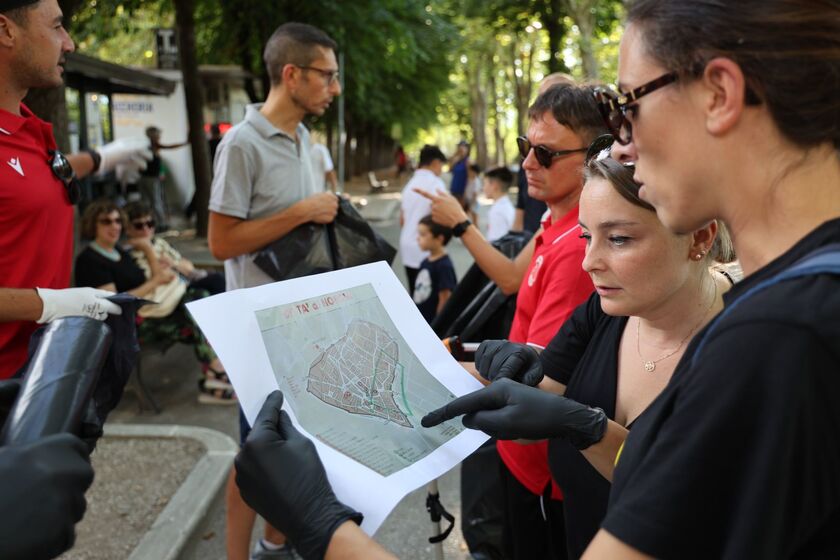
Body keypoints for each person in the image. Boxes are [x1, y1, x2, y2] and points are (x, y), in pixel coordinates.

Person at [431, 1, 840, 558]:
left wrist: (322, 522)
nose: (619, 143)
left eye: (624, 106)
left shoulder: (777, 338)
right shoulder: (791, 309)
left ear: (719, 94)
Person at [417, 83, 607, 560]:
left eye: (544, 153)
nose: (527, 164)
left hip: (539, 467)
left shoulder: (577, 249)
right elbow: (510, 281)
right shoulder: (554, 222)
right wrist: (458, 353)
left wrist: (423, 370)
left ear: (593, 158)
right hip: (516, 454)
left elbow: (531, 381)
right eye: (526, 147)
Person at [207, 21, 341, 560]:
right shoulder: (240, 145)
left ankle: (273, 545)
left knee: (296, 449)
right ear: (292, 75)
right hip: (256, 335)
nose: (334, 88)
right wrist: (301, 212)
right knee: (257, 455)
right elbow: (220, 242)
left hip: (304, 327)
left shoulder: (307, 140)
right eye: (326, 77)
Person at [0, 0, 152, 380]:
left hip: (41, 371)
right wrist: (48, 303)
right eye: (56, 27)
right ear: (6, 31)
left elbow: (41, 177)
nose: (68, 43)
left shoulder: (29, 128)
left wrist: (102, 158)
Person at [74, 199, 235, 404]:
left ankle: (213, 376)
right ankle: (216, 372)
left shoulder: (119, 252)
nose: (114, 226)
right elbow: (114, 303)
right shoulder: (90, 260)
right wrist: (155, 281)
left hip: (148, 314)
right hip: (126, 326)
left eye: (117, 221)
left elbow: (157, 276)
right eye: (106, 221)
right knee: (196, 306)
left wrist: (149, 252)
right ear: (92, 225)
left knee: (197, 310)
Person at [124, 200, 225, 296]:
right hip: (169, 293)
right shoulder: (129, 255)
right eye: (139, 225)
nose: (146, 229)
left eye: (150, 224)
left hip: (182, 283)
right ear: (127, 229)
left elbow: (187, 265)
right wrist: (148, 250)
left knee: (221, 279)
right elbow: (160, 278)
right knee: (217, 281)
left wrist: (173, 264)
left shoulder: (159, 242)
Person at [399, 144, 446, 296]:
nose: (441, 171)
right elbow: (445, 216)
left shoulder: (409, 185)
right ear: (435, 163)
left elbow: (402, 220)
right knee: (429, 300)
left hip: (407, 246)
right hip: (426, 249)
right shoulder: (436, 184)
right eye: (441, 166)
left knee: (415, 293)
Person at [139, 125, 188, 229]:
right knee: (152, 202)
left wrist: (161, 172)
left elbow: (165, 153)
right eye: (157, 135)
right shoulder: (147, 147)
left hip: (151, 178)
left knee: (154, 201)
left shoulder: (154, 147)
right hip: (148, 178)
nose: (159, 137)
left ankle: (160, 223)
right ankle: (158, 223)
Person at [413, 215, 457, 323]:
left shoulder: (444, 266)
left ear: (439, 238)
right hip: (421, 317)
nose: (418, 238)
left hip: (431, 322)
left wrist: (438, 322)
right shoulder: (425, 261)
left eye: (423, 234)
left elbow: (445, 298)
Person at [482, 166, 515, 242]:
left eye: (484, 184)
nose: (483, 188)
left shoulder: (497, 212)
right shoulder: (506, 206)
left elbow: (496, 245)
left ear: (494, 185)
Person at [448, 140, 470, 207]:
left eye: (463, 147)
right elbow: (450, 170)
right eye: (460, 147)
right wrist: (455, 159)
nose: (461, 149)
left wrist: (466, 192)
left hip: (462, 191)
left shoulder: (468, 161)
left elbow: (469, 177)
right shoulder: (456, 159)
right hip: (454, 189)